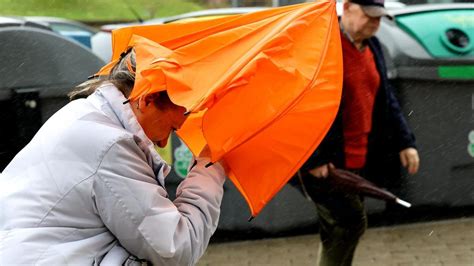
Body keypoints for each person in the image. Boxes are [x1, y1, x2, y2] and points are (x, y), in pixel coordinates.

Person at [0, 48, 226, 265]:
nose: (164, 143)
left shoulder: (81, 115)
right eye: (172, 129)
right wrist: (211, 165)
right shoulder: (111, 146)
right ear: (146, 99)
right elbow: (175, 249)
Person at [298, 0, 420, 265]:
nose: (375, 23)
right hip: (327, 161)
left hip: (359, 158)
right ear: (348, 7)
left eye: (379, 17)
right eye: (369, 15)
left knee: (342, 230)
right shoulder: (325, 46)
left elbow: (386, 100)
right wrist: (313, 158)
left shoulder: (372, 45)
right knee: (349, 223)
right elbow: (302, 103)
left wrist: (405, 142)